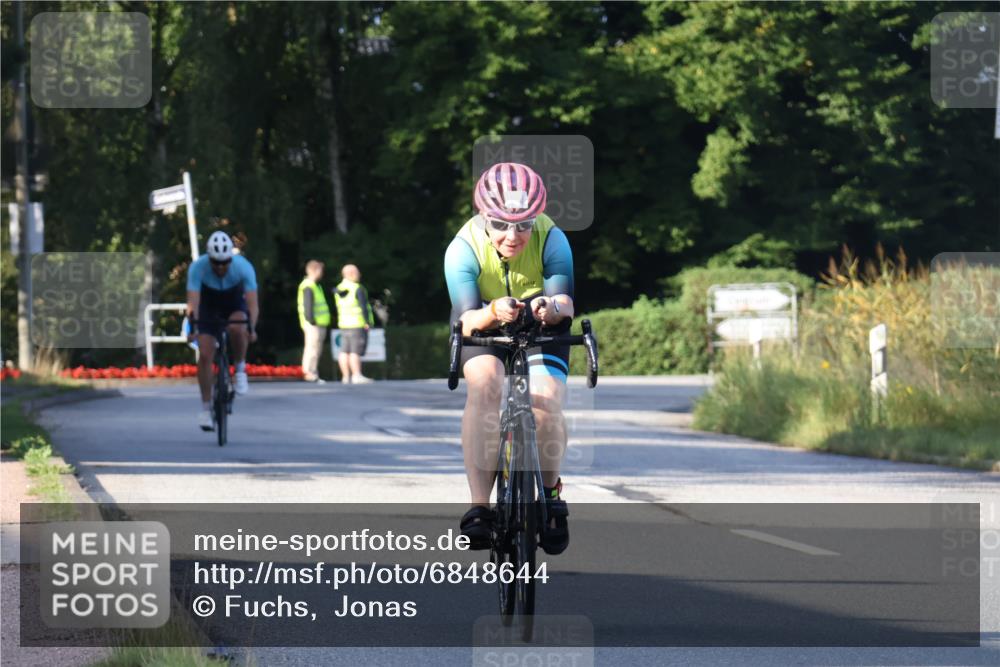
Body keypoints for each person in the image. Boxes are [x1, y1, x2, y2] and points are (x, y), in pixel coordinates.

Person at [444, 162, 575, 554]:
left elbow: (565, 300)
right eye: (500, 224)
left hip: (540, 320)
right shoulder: (462, 249)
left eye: (523, 224)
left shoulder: (553, 238)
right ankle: (479, 506)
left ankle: (550, 495)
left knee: (546, 401)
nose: (513, 235)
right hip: (482, 319)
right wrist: (493, 312)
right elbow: (467, 318)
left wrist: (550, 309)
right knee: (484, 386)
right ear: (484, 216)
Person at [186, 231, 259, 430]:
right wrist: (191, 327)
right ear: (209, 259)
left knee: (238, 326)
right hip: (208, 305)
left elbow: (252, 305)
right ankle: (205, 408)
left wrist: (251, 328)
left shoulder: (243, 267)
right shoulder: (197, 268)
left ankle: (240, 368)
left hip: (233, 301)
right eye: (215, 263)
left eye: (225, 262)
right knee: (205, 354)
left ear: (230, 258)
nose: (220, 267)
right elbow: (193, 302)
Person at [333, 264, 375, 384]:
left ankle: (345, 377)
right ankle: (357, 375)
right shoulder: (357, 288)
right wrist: (367, 321)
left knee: (344, 351)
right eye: (357, 272)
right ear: (351, 274)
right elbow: (363, 306)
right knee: (355, 351)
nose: (359, 275)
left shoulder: (339, 288)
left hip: (343, 323)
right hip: (356, 323)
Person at [297, 260, 330, 383]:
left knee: (316, 349)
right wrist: (311, 320)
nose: (322, 273)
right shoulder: (308, 285)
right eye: (320, 270)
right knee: (312, 349)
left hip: (318, 323)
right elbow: (308, 305)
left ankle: (313, 373)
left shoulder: (314, 285)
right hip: (313, 324)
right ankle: (308, 373)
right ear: (314, 270)